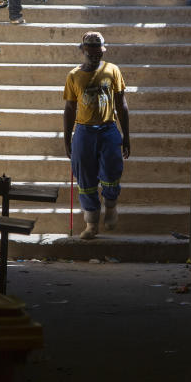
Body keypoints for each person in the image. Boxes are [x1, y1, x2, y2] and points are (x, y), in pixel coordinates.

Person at [63, 31, 131, 239]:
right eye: (90, 52)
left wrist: (126, 135)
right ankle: (92, 224)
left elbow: (121, 103)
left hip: (108, 128)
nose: (95, 56)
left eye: (98, 52)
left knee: (112, 171)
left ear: (103, 51)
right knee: (85, 177)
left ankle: (110, 206)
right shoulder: (74, 75)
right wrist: (67, 139)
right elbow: (69, 108)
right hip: (83, 131)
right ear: (83, 50)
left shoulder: (113, 70)